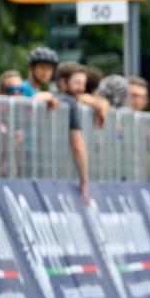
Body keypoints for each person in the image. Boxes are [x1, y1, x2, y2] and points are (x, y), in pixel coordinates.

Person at [52, 63, 89, 205]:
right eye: (77, 83)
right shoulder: (70, 104)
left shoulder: (52, 99)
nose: (82, 88)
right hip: (61, 176)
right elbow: (78, 146)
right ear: (62, 83)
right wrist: (84, 182)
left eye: (83, 83)